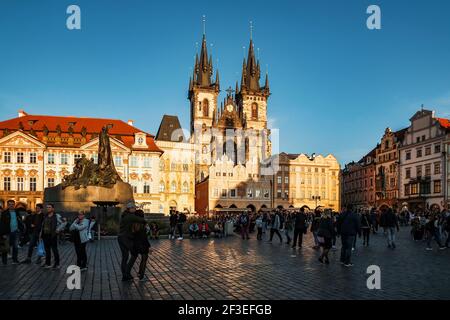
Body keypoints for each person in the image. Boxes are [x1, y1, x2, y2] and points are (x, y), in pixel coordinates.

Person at [118, 201, 146, 281]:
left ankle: (125, 275)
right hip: (126, 238)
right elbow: (142, 220)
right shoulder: (130, 216)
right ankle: (126, 273)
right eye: (134, 208)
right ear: (130, 209)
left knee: (125, 257)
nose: (135, 210)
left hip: (120, 237)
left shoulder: (125, 215)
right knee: (134, 254)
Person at [129, 209, 152, 282]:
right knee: (144, 259)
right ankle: (141, 276)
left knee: (133, 259)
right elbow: (144, 236)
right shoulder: (143, 224)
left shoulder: (133, 223)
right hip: (143, 244)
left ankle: (130, 273)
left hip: (135, 244)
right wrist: (148, 246)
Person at [0, 200, 25, 265]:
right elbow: (2, 224)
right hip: (7, 232)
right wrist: (3, 234)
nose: (11, 205)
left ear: (14, 205)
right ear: (7, 205)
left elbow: (20, 221)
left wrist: (20, 230)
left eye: (12, 204)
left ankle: (15, 260)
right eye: (10, 204)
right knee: (6, 248)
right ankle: (4, 261)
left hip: (16, 232)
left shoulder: (17, 212)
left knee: (15, 247)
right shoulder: (4, 213)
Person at [40, 204, 62, 269]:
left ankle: (57, 264)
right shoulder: (45, 215)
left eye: (49, 207)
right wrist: (41, 233)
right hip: (45, 235)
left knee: (54, 250)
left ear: (53, 208)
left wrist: (58, 229)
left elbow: (64, 222)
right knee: (47, 250)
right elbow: (43, 225)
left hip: (53, 235)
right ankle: (48, 263)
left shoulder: (57, 216)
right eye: (47, 207)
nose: (48, 208)